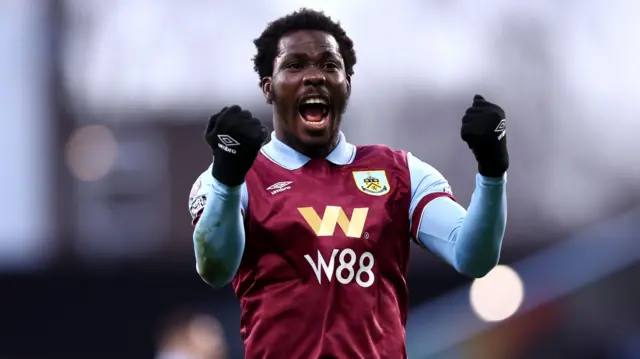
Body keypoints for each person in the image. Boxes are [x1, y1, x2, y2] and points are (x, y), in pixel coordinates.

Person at [188, 8, 508, 359]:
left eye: (329, 65)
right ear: (269, 87)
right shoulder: (236, 178)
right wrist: (227, 180)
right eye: (295, 65)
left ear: (347, 86)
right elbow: (214, 269)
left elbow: (473, 257)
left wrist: (492, 173)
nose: (314, 77)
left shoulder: (401, 173)